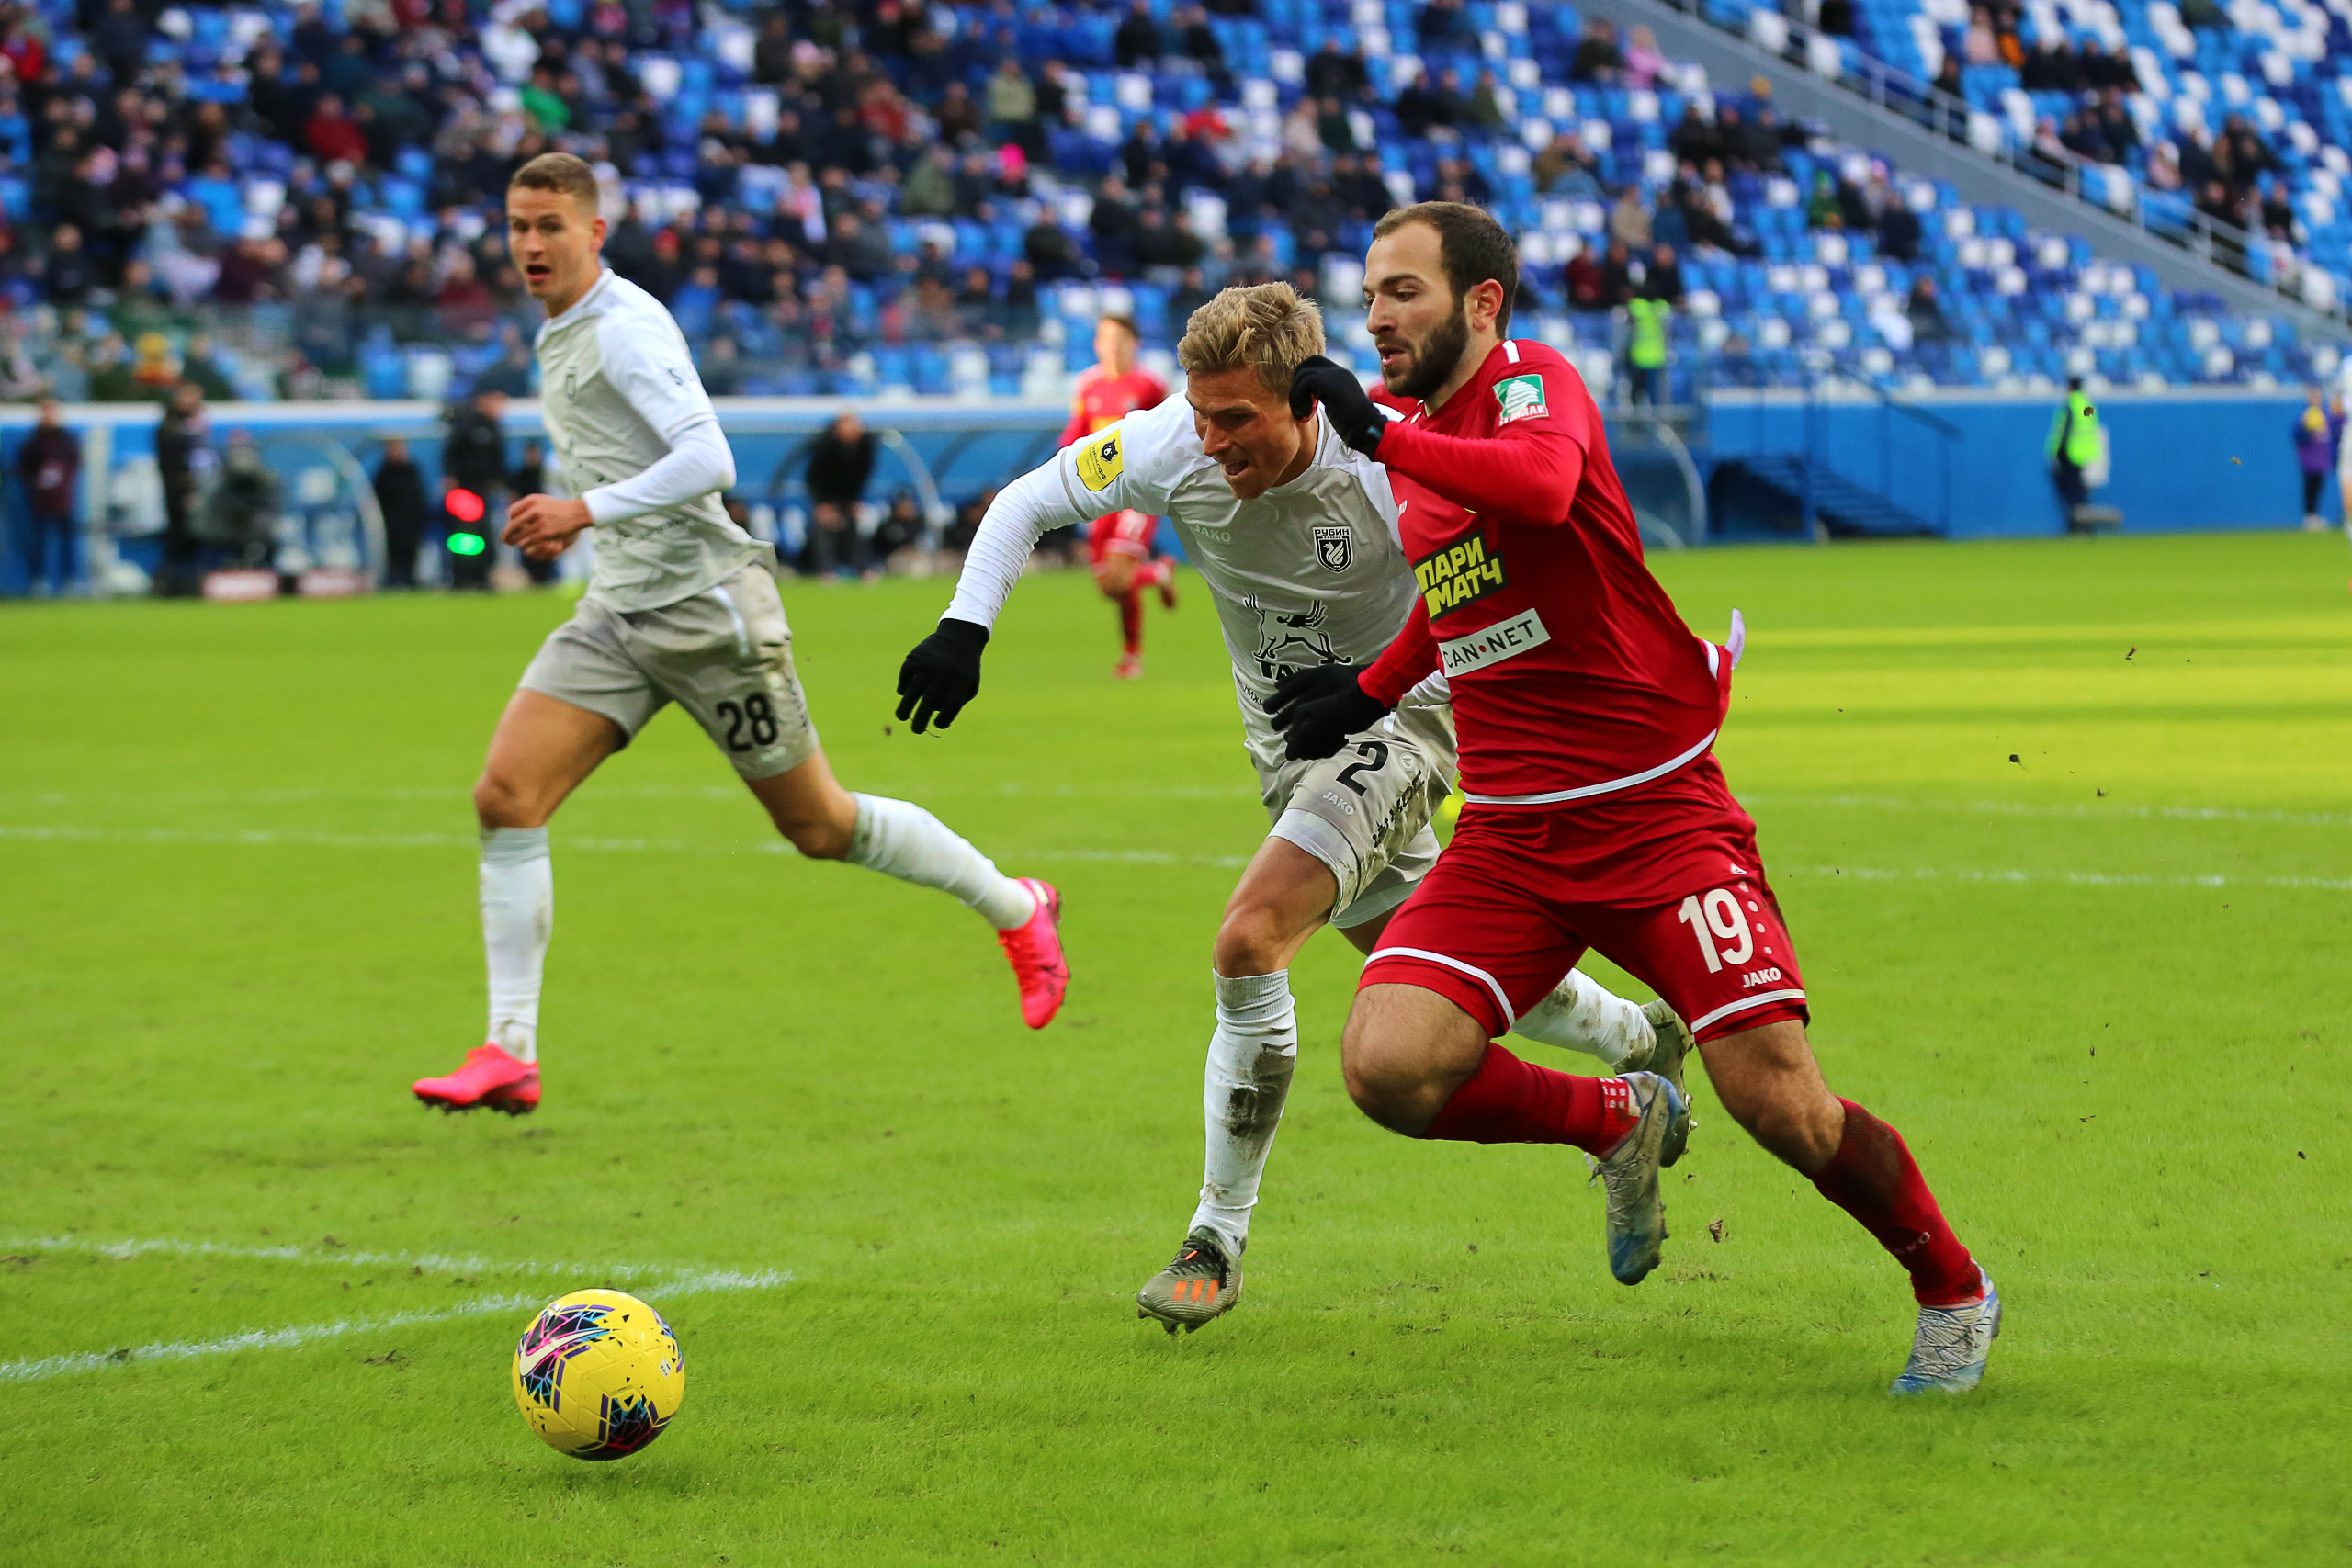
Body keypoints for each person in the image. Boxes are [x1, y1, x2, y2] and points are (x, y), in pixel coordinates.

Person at [1277, 202, 1998, 1395]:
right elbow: (1457, 593)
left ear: (1482, 301)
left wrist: (1384, 435)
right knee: (1389, 1063)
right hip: (1511, 831)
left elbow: (1545, 489)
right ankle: (1615, 1111)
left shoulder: (1530, 389)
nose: (1375, 316)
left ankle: (1951, 1283)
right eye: (1369, 294)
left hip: (1655, 812)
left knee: (1780, 1104)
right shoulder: (1418, 449)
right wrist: (1369, 687)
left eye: (1402, 290)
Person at [895, 283, 1684, 1334]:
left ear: (1305, 403)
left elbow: (1503, 573)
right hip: (1288, 748)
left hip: (1409, 717)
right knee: (1419, 967)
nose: (1212, 441)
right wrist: (965, 627)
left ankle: (1213, 1238)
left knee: (1247, 939)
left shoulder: (1382, 463)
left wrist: (1395, 696)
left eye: (1238, 420)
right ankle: (1630, 1067)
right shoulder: (1170, 440)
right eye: (1201, 412)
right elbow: (1024, 504)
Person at [409, 152, 1069, 1117]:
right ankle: (509, 1050)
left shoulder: (626, 329)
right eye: (517, 225)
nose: (530, 244)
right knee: (506, 795)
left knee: (818, 826)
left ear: (596, 232)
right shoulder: (560, 327)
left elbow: (707, 457)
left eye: (550, 225)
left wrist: (580, 509)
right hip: (619, 609)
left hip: (710, 613)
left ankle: (1017, 908)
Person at [1060, 313, 1178, 678]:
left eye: (1121, 338)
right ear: (1096, 344)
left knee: (1117, 574)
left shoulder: (1150, 386)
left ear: (1134, 343)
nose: (1113, 345)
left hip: (1137, 493)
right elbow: (1073, 436)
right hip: (1100, 494)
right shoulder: (1088, 386)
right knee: (1110, 586)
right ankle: (1157, 573)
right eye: (1106, 338)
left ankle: (1131, 656)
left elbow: (1170, 432)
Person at [443, 387, 509, 590]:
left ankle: (481, 575)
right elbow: (452, 452)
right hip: (466, 490)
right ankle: (462, 576)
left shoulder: (494, 427)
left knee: (483, 534)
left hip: (484, 491)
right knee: (465, 534)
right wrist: (451, 476)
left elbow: (498, 461)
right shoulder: (467, 424)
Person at [15, 396, 78, 595]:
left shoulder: (68, 440)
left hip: (63, 500)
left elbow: (74, 465)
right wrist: (39, 483)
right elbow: (25, 470)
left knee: (67, 542)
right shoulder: (33, 442)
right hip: (40, 501)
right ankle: (39, 581)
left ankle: (69, 581)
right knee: (39, 541)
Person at [803, 410, 876, 578]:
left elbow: (862, 476)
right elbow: (815, 477)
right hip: (825, 496)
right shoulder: (824, 447)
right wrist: (823, 504)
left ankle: (863, 569)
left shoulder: (866, 446)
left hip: (849, 497)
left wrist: (853, 501)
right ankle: (826, 571)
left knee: (859, 524)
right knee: (823, 527)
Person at [153, 382, 209, 596]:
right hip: (179, 492)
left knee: (193, 537)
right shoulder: (172, 426)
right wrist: (186, 490)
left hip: (194, 490)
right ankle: (174, 585)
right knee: (179, 536)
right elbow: (173, 463)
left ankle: (190, 583)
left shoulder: (195, 424)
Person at [373, 435, 429, 590]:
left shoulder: (412, 471)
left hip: (412, 523)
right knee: (393, 556)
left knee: (412, 554)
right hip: (392, 524)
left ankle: (411, 581)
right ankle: (391, 582)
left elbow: (419, 497)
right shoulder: (383, 474)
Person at [2046, 376, 2101, 530]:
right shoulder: (2087, 404)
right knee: (2080, 491)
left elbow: (2065, 431)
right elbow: (2089, 425)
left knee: (2072, 492)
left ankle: (2078, 525)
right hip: (2085, 453)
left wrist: (2056, 452)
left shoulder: (2070, 404)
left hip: (2070, 454)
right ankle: (2085, 524)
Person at [510, 438, 558, 585]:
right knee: (528, 549)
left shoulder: (545, 474)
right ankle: (532, 577)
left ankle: (547, 577)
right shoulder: (520, 475)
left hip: (544, 517)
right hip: (526, 517)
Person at [2292, 387, 2338, 530]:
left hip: (2321, 459)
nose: (2316, 399)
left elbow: (2334, 434)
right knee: (2310, 487)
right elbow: (2298, 435)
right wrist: (2309, 429)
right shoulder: (2304, 415)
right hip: (2309, 460)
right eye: (2313, 396)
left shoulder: (2325, 414)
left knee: (2319, 487)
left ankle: (2315, 515)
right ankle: (2309, 516)